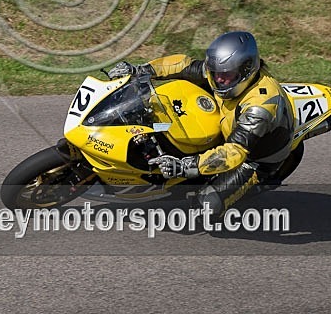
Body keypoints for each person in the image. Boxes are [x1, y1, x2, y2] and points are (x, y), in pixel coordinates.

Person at [108, 31, 294, 216]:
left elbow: (234, 153)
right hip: (227, 125)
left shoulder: (260, 107)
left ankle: (250, 187)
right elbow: (184, 65)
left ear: (246, 70)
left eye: (226, 75)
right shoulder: (222, 74)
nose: (218, 80)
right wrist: (139, 70)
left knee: (205, 207)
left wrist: (185, 166)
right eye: (215, 73)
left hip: (253, 158)